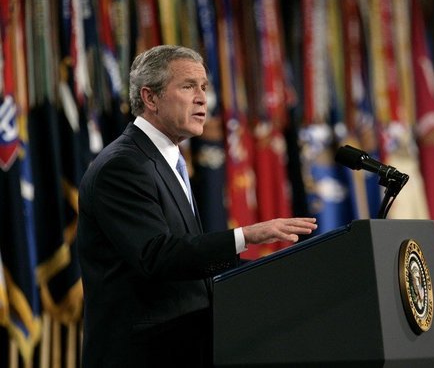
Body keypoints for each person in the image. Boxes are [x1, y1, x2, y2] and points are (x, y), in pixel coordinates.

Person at [77, 45, 317, 367]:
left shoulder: (168, 160)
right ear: (150, 98)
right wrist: (246, 236)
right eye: (188, 86)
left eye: (204, 87)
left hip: (182, 348)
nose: (203, 98)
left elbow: (190, 266)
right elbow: (157, 256)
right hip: (140, 355)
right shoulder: (122, 166)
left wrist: (286, 276)